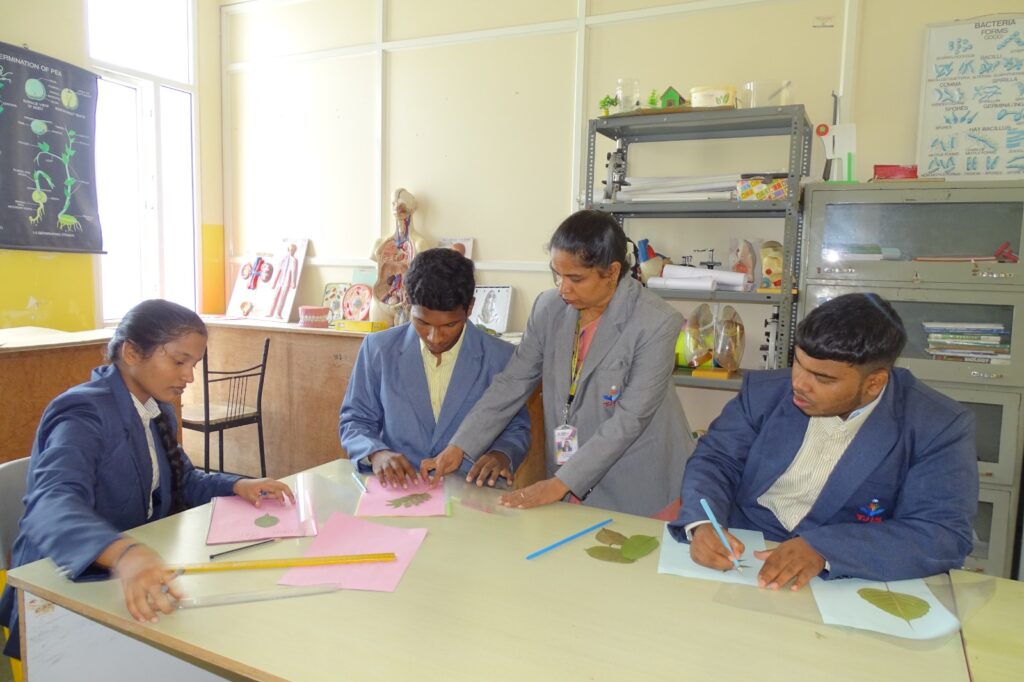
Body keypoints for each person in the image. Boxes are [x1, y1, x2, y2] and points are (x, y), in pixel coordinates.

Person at [0, 300, 293, 657]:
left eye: (195, 364)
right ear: (132, 352)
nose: (189, 376)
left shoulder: (157, 410)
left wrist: (236, 485)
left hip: (128, 579)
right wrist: (126, 553)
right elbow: (50, 504)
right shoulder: (82, 413)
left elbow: (183, 479)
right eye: (179, 361)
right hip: (61, 586)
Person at [669, 293, 978, 590]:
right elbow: (715, 460)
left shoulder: (936, 425)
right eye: (798, 364)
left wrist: (825, 549)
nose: (799, 384)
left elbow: (942, 533)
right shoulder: (764, 393)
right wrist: (702, 523)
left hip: (845, 573)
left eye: (823, 379)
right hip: (742, 553)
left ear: (874, 382)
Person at [420, 209, 695, 516]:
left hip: (638, 483)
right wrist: (460, 446)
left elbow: (628, 421)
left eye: (575, 278)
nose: (563, 288)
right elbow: (512, 383)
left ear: (613, 272)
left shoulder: (655, 322)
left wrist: (558, 484)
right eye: (557, 274)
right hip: (569, 473)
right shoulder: (548, 309)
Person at [340, 248, 531, 488]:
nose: (435, 337)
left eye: (450, 324)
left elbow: (517, 427)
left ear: (470, 308)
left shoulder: (501, 357)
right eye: (422, 322)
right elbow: (355, 420)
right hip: (401, 490)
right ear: (409, 303)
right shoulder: (378, 349)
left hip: (473, 495)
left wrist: (502, 454)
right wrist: (376, 453)